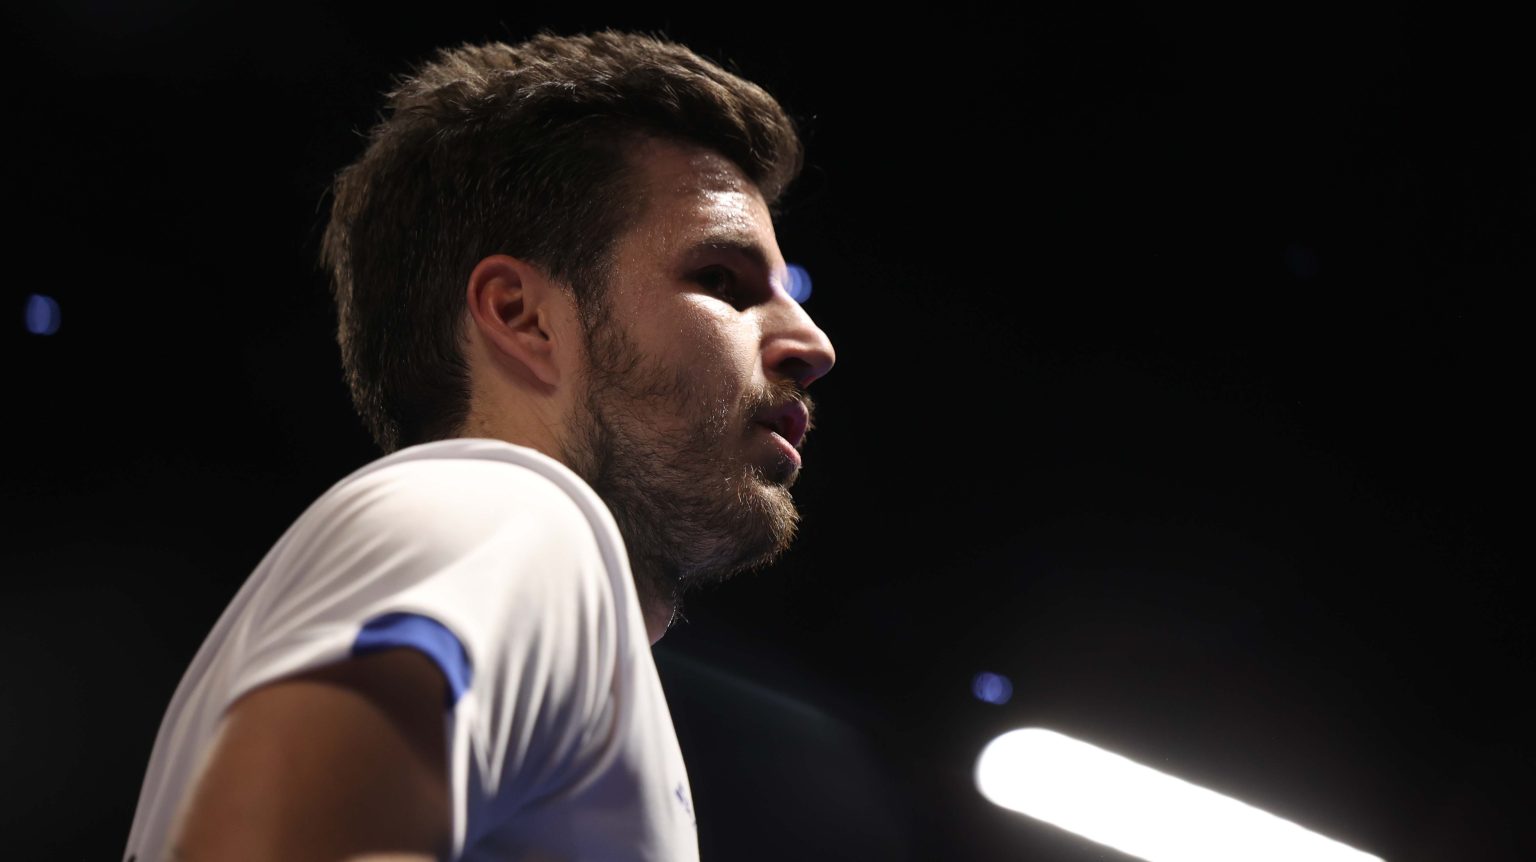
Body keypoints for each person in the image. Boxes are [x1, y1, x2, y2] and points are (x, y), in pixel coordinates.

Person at [123, 30, 835, 862]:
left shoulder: (528, 565)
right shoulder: (512, 511)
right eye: (720, 280)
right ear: (521, 316)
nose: (813, 344)